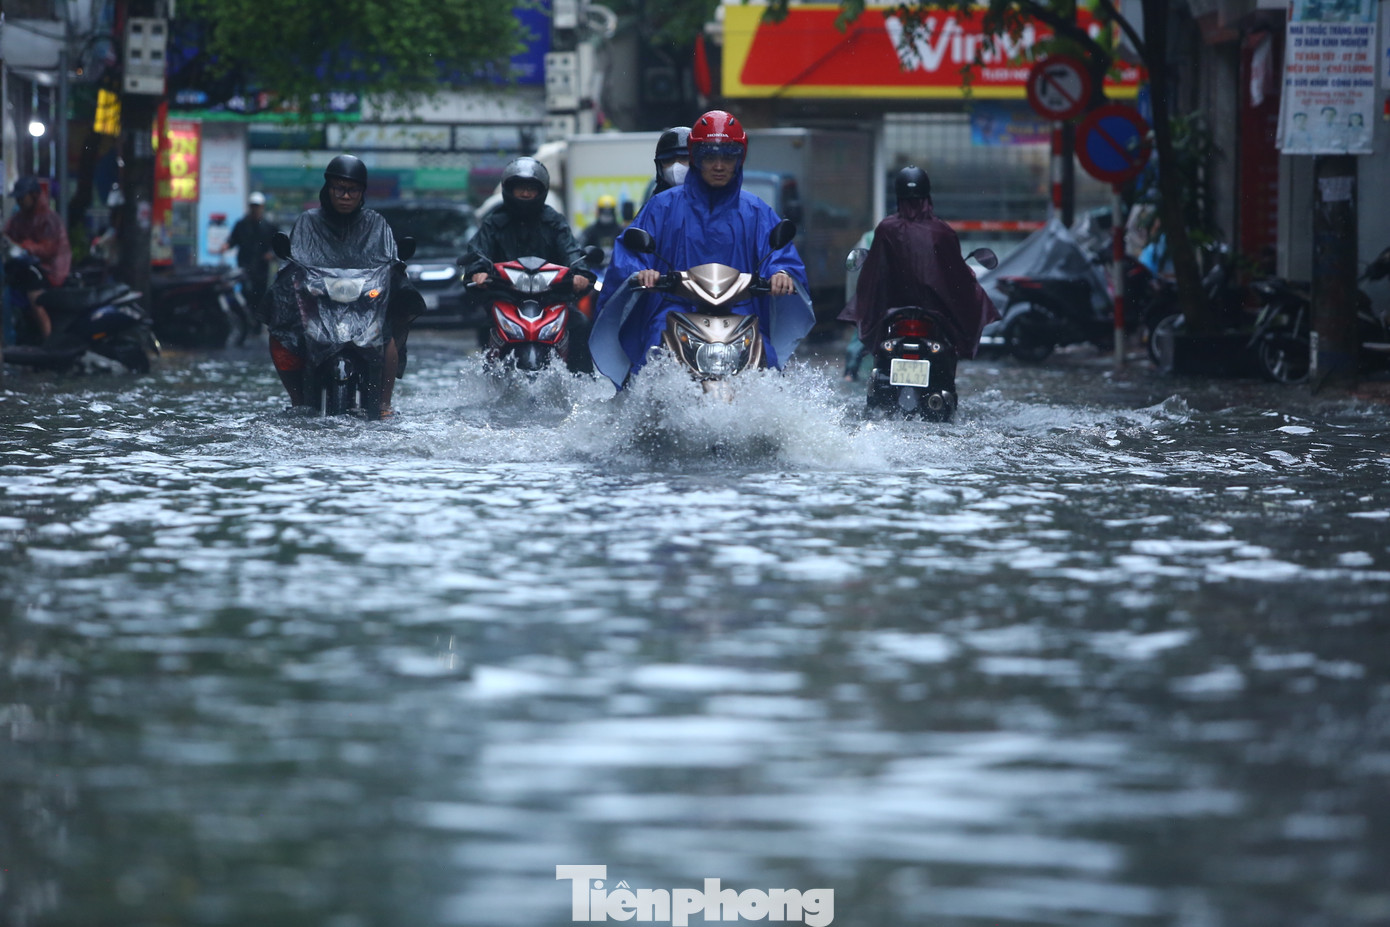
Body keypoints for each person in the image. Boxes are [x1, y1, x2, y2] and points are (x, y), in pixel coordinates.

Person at [593, 109, 809, 384]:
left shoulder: (755, 210)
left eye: (728, 156)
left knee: (769, 365)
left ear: (739, 158)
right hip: (671, 311)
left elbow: (780, 254)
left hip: (740, 313)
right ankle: (640, 410)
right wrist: (641, 272)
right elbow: (630, 253)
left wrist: (781, 273)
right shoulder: (662, 206)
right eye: (709, 156)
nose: (719, 165)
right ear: (696, 157)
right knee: (650, 360)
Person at [261, 155, 423, 415]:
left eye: (353, 190)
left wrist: (394, 270)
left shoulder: (376, 224)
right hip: (318, 303)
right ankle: (298, 400)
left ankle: (384, 402)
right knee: (280, 329)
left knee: (388, 332)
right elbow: (295, 261)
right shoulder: (307, 222)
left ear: (362, 193)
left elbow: (389, 260)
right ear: (328, 189)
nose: (346, 196)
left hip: (365, 305)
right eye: (340, 189)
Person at [838, 165, 998, 361]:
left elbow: (873, 275)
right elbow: (957, 277)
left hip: (892, 312)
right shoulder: (942, 231)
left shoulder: (886, 228)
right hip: (935, 315)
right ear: (927, 196)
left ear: (898, 196)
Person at [461, 157, 593, 294]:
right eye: (520, 188)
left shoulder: (554, 222)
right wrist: (478, 271)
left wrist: (580, 273)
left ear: (541, 191)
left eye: (531, 188)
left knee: (580, 309)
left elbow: (571, 250)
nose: (525, 193)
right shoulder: (494, 223)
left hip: (551, 296)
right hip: (503, 295)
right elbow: (479, 251)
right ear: (509, 189)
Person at [3, 176, 72, 343]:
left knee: (35, 297)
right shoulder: (19, 218)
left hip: (49, 271)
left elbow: (49, 249)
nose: (19, 201)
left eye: (23, 197)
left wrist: (26, 246)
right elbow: (8, 234)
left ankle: (48, 340)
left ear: (33, 195)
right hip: (26, 269)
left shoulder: (49, 219)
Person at [221, 191, 278, 313]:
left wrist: (272, 254)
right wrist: (227, 245)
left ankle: (257, 320)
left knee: (260, 294)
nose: (255, 209)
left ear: (262, 207)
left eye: (257, 206)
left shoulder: (269, 226)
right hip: (245, 265)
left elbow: (277, 243)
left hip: (261, 268)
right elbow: (233, 239)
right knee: (246, 291)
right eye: (253, 206)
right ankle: (248, 318)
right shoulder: (241, 224)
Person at [649, 126, 691, 200]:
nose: (675, 167)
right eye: (668, 160)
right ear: (659, 167)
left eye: (684, 158)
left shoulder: (710, 198)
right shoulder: (655, 203)